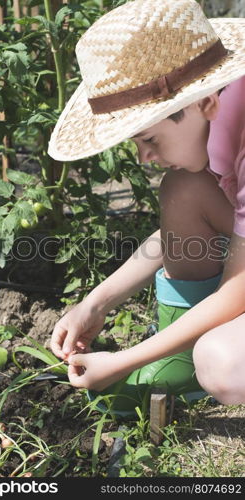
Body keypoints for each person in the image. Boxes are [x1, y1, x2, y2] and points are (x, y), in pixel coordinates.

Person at [47, 0, 245, 416]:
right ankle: (177, 363)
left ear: (205, 102)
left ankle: (190, 359)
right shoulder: (223, 120)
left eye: (149, 140)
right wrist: (95, 304)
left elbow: (235, 292)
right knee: (184, 190)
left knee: (222, 363)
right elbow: (174, 240)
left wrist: (123, 360)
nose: (144, 158)